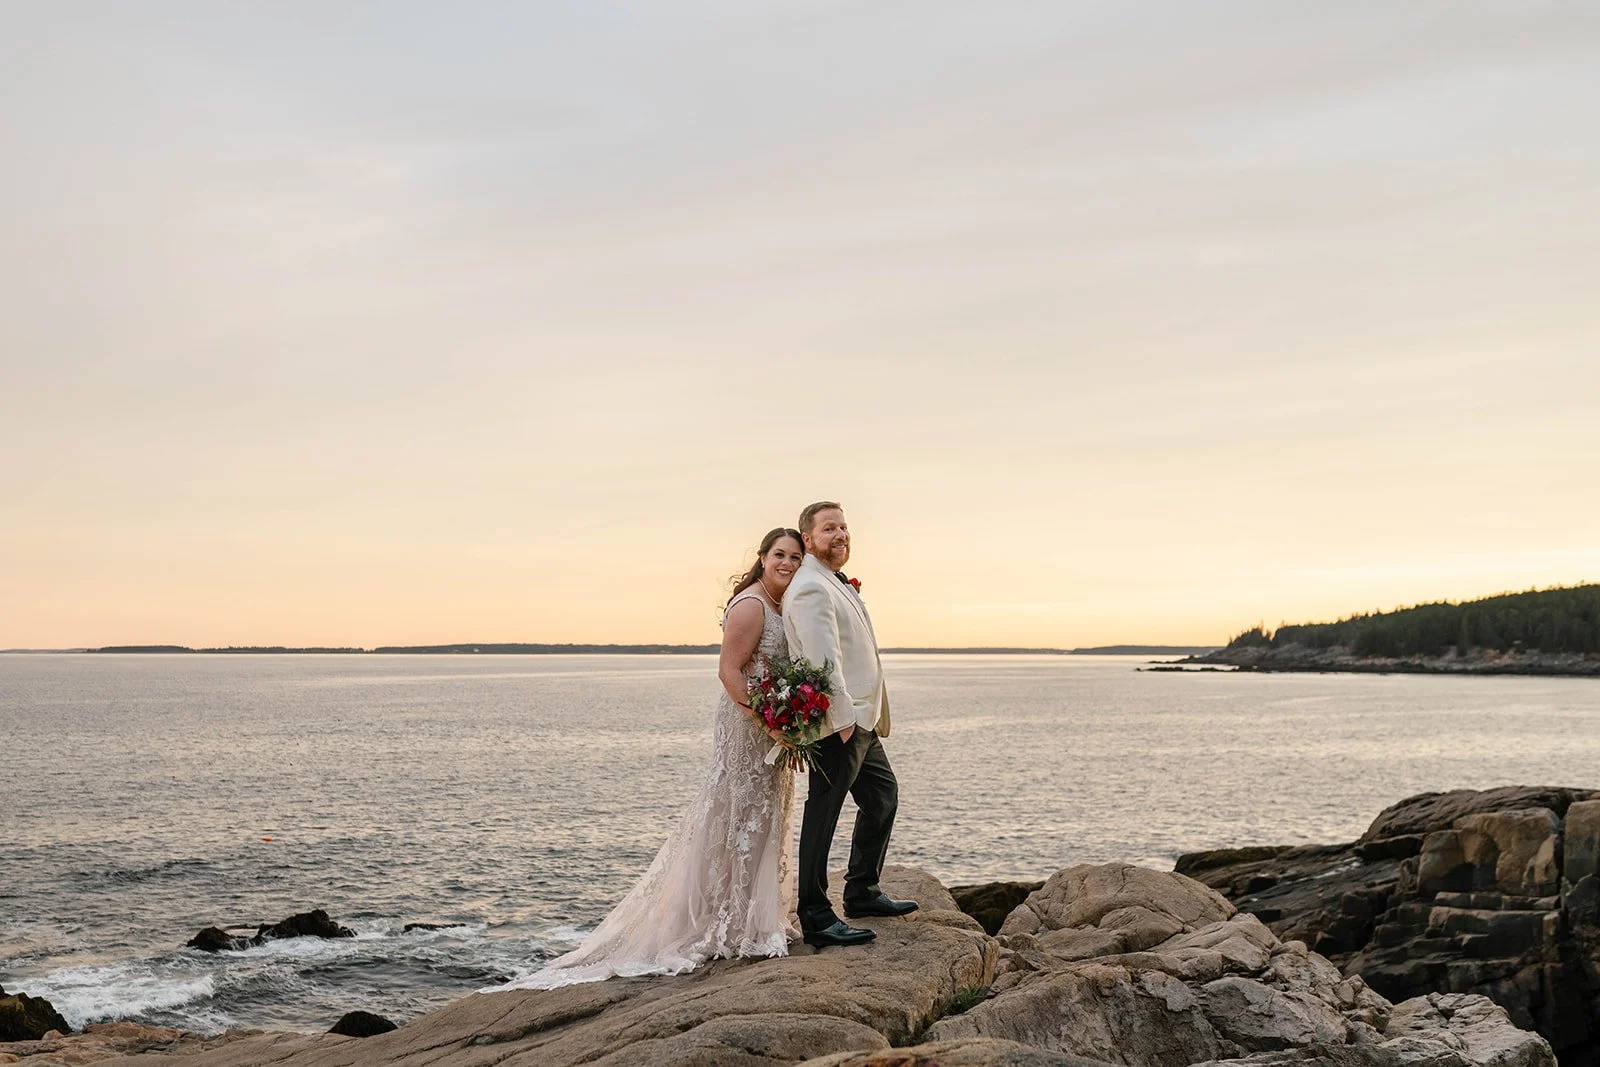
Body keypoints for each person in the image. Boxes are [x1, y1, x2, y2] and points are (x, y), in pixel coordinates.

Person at [488, 528, 807, 990]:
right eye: (780, 554)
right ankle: (735, 925)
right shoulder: (751, 605)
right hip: (747, 726)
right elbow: (729, 672)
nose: (789, 563)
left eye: (796, 557)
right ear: (761, 558)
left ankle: (750, 918)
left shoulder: (780, 605)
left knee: (760, 816)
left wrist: (789, 721)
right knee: (740, 815)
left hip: (769, 726)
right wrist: (771, 724)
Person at [783, 501, 917, 949]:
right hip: (838, 722)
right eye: (829, 528)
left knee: (882, 797)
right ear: (808, 539)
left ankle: (861, 891)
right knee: (822, 815)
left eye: (843, 526)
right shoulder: (810, 588)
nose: (840, 534)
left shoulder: (833, 582)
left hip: (861, 720)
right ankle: (816, 915)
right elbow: (823, 661)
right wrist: (843, 720)